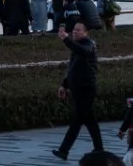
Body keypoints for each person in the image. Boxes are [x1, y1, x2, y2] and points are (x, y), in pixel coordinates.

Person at [53, 22, 103, 161]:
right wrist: (64, 85)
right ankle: (99, 148)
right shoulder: (77, 47)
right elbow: (72, 69)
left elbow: (83, 51)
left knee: (77, 120)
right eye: (74, 29)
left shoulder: (89, 44)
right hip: (78, 90)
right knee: (90, 120)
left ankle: (64, 150)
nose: (75, 32)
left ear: (86, 33)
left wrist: (66, 39)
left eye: (79, 30)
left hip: (86, 89)